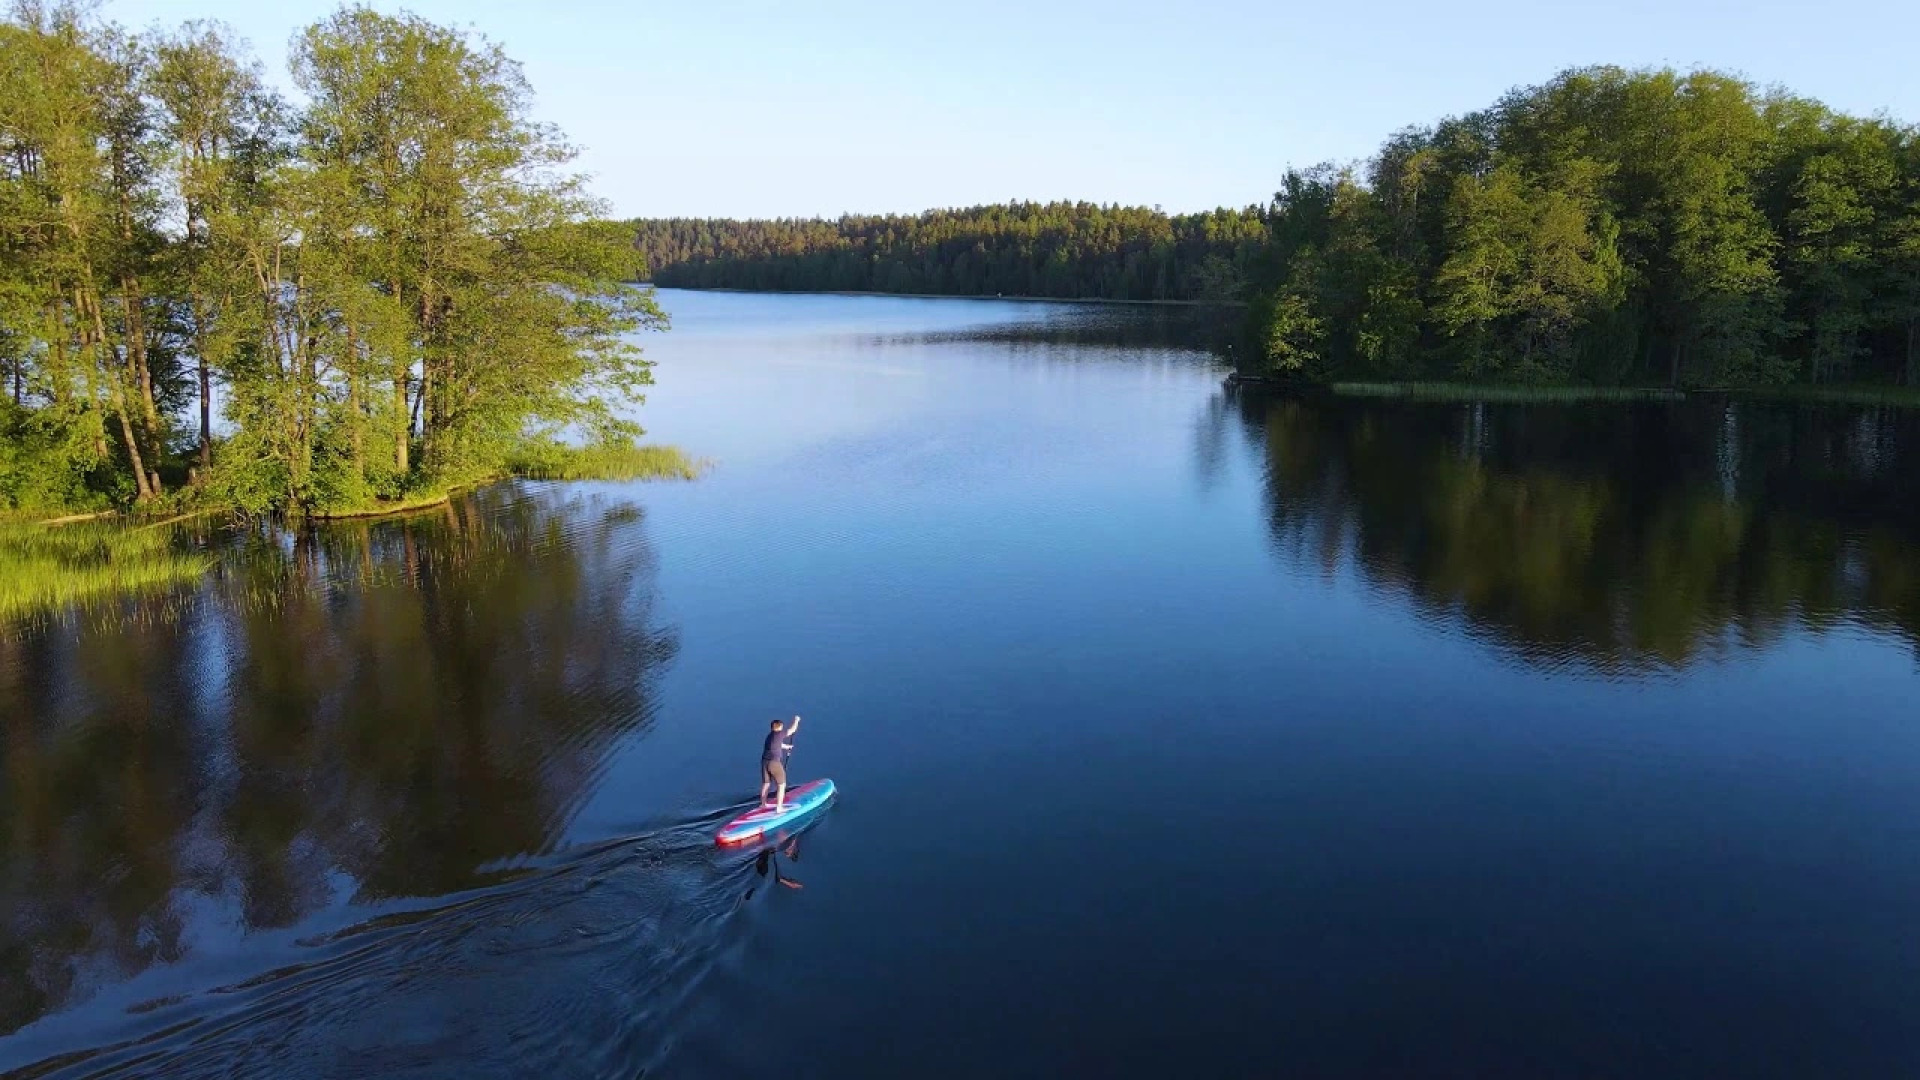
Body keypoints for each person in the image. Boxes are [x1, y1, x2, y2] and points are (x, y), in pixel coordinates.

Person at [760, 715, 800, 811]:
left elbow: (777, 745)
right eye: (782, 726)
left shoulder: (770, 736)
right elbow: (792, 730)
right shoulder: (780, 734)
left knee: (766, 783)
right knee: (781, 785)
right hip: (774, 763)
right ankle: (779, 807)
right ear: (779, 727)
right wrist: (796, 720)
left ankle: (763, 804)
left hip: (764, 762)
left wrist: (787, 747)